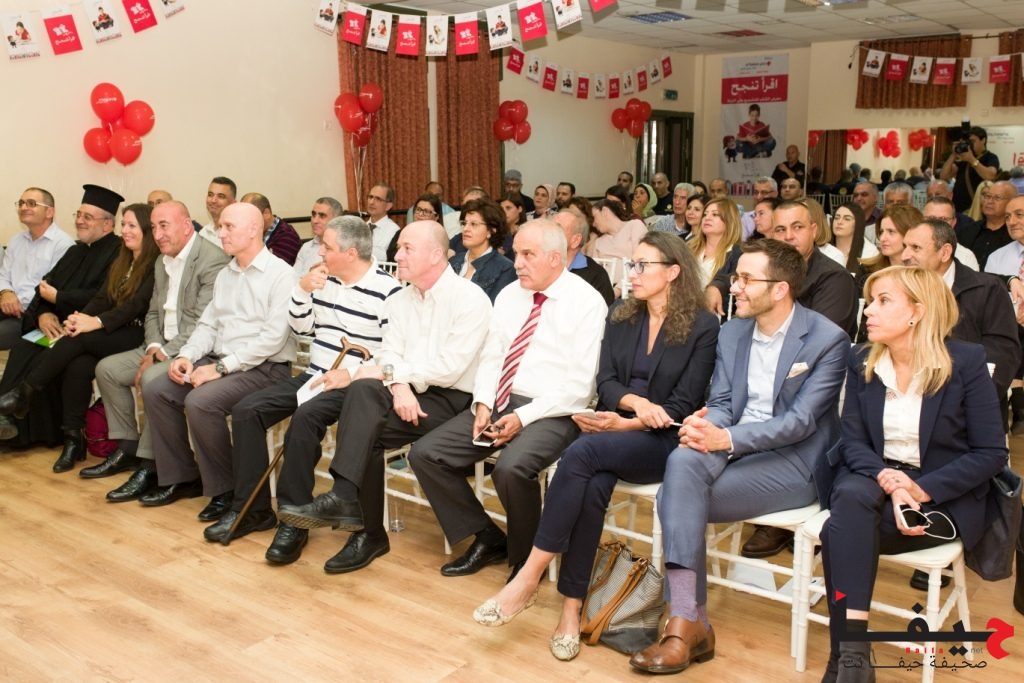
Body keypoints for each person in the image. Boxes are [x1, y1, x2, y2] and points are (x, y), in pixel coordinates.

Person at [470, 232, 718, 662]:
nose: (632, 273)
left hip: (663, 439)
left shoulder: (703, 326)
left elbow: (683, 403)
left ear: (673, 272)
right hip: (613, 427)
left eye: (642, 266)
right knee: (592, 485)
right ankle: (571, 608)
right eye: (632, 264)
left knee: (580, 455)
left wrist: (629, 421)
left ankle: (528, 576)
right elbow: (606, 382)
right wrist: (630, 408)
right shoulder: (622, 314)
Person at [630, 239, 847, 675]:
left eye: (747, 279)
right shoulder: (732, 332)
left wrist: (724, 438)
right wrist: (705, 426)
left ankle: (686, 622)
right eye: (736, 277)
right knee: (682, 462)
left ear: (780, 289)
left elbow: (800, 422)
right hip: (729, 444)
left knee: (676, 497)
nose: (734, 287)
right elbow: (724, 401)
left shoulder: (827, 339)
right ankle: (687, 620)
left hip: (794, 461)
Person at [819, 267, 1006, 678]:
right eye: (870, 300)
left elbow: (991, 453)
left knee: (838, 531)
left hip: (941, 494)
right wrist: (890, 480)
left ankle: (846, 659)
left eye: (883, 301)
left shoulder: (966, 361)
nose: (868, 310)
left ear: (917, 312)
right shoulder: (862, 359)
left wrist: (919, 489)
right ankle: (853, 658)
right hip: (873, 477)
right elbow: (853, 441)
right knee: (850, 499)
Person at [275, 221, 491, 574]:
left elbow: (448, 368)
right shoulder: (401, 299)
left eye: (407, 248)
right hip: (409, 390)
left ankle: (358, 518)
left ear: (436, 254)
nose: (396, 255)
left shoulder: (469, 298)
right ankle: (360, 520)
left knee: (364, 409)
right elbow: (389, 353)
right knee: (363, 400)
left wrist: (392, 376)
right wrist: (398, 384)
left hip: (453, 400)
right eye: (399, 247)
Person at [408, 219, 608, 582]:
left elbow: (579, 387)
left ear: (555, 258)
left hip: (555, 409)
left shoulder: (587, 302)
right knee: (426, 454)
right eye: (516, 253)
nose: (517, 263)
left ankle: (526, 560)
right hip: (501, 399)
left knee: (511, 469)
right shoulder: (510, 294)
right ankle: (487, 538)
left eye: (528, 255)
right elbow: (493, 355)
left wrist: (522, 417)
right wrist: (484, 403)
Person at [203, 217, 401, 552]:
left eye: (327, 247)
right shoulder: (323, 279)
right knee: (247, 411)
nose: (319, 252)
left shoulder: (388, 291)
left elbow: (392, 352)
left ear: (351, 253)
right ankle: (252, 509)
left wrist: (350, 373)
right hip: (314, 375)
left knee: (305, 419)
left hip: (353, 385)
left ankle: (294, 519)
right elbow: (302, 328)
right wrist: (302, 291)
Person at [138, 203, 296, 520]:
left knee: (201, 401)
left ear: (254, 230)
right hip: (222, 361)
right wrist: (187, 356)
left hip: (266, 369)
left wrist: (221, 368)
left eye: (228, 227)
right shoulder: (227, 274)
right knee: (158, 389)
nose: (220, 233)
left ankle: (227, 490)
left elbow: (272, 340)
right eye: (220, 226)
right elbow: (208, 326)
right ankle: (184, 477)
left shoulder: (281, 275)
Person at [87, 201, 229, 501]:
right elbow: (152, 312)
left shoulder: (211, 260)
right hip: (159, 344)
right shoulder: (162, 260)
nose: (158, 234)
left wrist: (161, 356)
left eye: (165, 226)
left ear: (187, 225)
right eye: (153, 227)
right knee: (107, 370)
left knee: (154, 379)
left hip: (194, 351)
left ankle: (150, 464)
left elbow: (202, 325)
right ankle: (127, 446)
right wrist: (153, 348)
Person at [0, 203, 157, 473]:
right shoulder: (118, 258)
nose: (125, 231)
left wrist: (90, 322)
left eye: (132, 226)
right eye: (124, 225)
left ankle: (25, 392)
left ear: (146, 230)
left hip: (132, 332)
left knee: (76, 339)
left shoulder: (154, 263)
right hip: (99, 329)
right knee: (69, 362)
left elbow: (135, 306)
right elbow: (102, 297)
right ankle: (73, 440)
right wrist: (76, 318)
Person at [0, 184, 124, 447]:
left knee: (46, 356)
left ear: (107, 224)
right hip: (54, 326)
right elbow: (45, 286)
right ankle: (7, 422)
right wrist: (44, 314)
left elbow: (104, 297)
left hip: (87, 330)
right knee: (24, 346)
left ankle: (37, 432)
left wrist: (59, 299)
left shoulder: (119, 253)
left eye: (87, 217)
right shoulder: (75, 250)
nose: (79, 221)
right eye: (78, 214)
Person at [901, 218, 1020, 431]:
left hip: (970, 419)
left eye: (915, 248)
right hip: (905, 414)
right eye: (905, 246)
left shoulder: (987, 290)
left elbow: (1002, 357)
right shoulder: (897, 289)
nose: (905, 255)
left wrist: (961, 404)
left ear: (945, 252)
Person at [0, 187, 74, 349]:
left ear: (49, 212)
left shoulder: (64, 245)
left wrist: (18, 301)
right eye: (21, 203)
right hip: (6, 306)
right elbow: (3, 275)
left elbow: (55, 288)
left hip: (34, 315)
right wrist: (6, 292)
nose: (23, 207)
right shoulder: (16, 240)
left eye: (31, 203)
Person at [449, 198, 516, 302]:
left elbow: (496, 307)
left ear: (491, 230)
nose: (465, 229)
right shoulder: (453, 261)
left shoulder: (505, 269)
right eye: (464, 223)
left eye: (474, 224)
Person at [555, 207, 614, 305]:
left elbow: (605, 312)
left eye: (558, 228)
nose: (548, 233)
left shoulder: (597, 276)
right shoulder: (539, 265)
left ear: (575, 240)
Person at [589, 198, 649, 290]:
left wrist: (618, 289)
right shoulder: (598, 242)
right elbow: (594, 271)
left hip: (631, 288)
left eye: (594, 217)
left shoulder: (634, 226)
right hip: (605, 288)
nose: (593, 224)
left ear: (605, 211)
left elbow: (641, 263)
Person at [957, 180, 1016, 270]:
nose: (989, 201)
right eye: (987, 196)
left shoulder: (1015, 235)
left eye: (997, 198)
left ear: (1011, 202)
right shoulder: (968, 230)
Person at [940, 125, 1000, 213]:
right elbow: (944, 176)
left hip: (977, 209)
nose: (970, 145)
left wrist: (971, 160)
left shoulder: (990, 157)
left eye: (973, 141)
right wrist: (953, 154)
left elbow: (990, 175)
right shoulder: (963, 158)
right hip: (958, 208)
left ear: (983, 140)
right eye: (968, 142)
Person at [689, 198, 741, 287]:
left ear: (729, 221)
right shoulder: (689, 245)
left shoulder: (737, 254)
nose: (707, 218)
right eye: (705, 214)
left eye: (715, 214)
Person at [240, 192, 301, 266]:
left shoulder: (287, 236)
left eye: (249, 217)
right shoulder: (254, 231)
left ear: (266, 213)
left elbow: (273, 269)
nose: (245, 222)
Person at [294, 197, 343, 275]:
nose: (315, 221)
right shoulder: (306, 247)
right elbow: (294, 279)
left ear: (337, 220)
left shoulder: (345, 249)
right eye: (313, 215)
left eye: (322, 216)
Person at [830, 203, 877, 276]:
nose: (839, 222)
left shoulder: (870, 252)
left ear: (858, 223)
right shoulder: (822, 249)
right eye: (836, 218)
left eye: (847, 219)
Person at [365, 183, 401, 263]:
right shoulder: (361, 227)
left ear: (388, 206)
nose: (371, 202)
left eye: (378, 199)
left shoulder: (395, 231)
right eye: (370, 197)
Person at [199, 176, 236, 248]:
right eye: (210, 195)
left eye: (221, 196)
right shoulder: (204, 232)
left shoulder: (237, 235)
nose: (213, 200)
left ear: (233, 203)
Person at [498, 193, 527, 260]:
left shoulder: (527, 230)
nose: (504, 212)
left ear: (519, 209)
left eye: (508, 208)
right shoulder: (498, 231)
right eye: (501, 209)